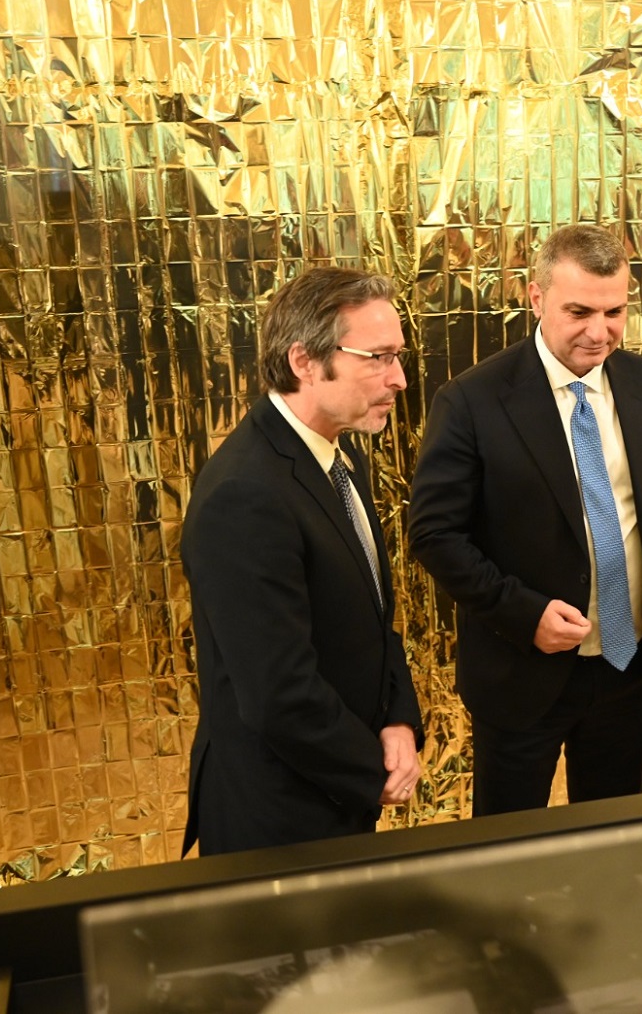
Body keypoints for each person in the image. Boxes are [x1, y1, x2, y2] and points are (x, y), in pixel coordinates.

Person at [408, 224, 642, 815]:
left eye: (614, 312)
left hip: (633, 669)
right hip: (523, 675)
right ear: (536, 298)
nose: (600, 332)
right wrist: (525, 615)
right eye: (579, 312)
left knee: (613, 837)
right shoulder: (471, 401)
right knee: (510, 848)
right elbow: (435, 535)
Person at [180, 267, 423, 856]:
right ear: (304, 362)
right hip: (277, 818)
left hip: (332, 794)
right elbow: (278, 693)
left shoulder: (335, 456)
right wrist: (372, 768)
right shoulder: (245, 495)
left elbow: (370, 620)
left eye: (397, 356)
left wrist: (397, 719)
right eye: (378, 358)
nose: (399, 379)